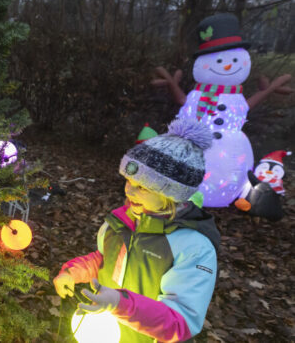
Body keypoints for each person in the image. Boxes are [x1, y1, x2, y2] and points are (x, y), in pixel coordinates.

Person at [53, 118, 220, 343]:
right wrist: (72, 272)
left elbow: (181, 322)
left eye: (142, 187)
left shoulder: (192, 247)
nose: (129, 191)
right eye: (129, 181)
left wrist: (120, 304)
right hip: (106, 332)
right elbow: (104, 260)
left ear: (171, 194)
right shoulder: (122, 222)